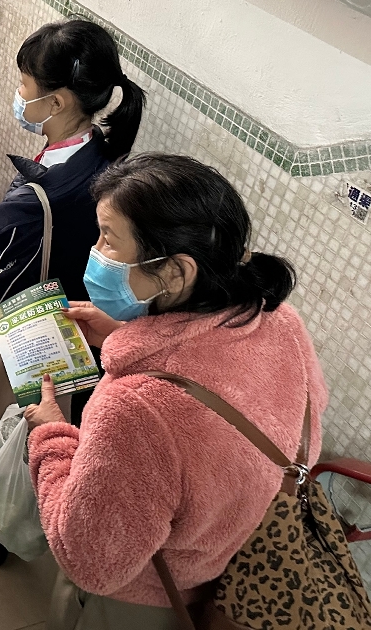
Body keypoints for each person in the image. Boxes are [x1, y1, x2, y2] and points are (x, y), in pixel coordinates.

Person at [23, 154, 328, 630]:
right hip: (234, 566)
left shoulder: (138, 409)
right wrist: (129, 334)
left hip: (147, 602)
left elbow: (91, 562)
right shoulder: (279, 322)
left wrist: (52, 435)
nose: (95, 250)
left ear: (175, 272)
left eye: (108, 238)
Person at [0, 20, 145, 455]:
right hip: (74, 340)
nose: (18, 94)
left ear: (56, 101)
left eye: (24, 84)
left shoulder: (37, 203)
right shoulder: (101, 151)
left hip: (29, 353)